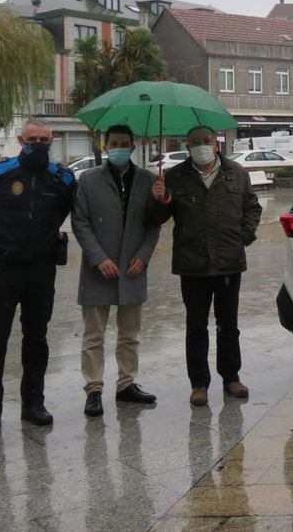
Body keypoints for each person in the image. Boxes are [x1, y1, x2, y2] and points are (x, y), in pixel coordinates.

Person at [0, 118, 76, 438]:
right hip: (4, 267)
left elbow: (63, 213)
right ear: (20, 139)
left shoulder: (62, 177)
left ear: (52, 141)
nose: (38, 144)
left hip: (41, 269)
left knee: (37, 338)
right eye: (32, 138)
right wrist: (7, 241)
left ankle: (33, 404)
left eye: (44, 140)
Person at [148, 126, 262, 406]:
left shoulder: (237, 173)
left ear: (216, 145)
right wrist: (161, 198)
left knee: (228, 325)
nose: (201, 146)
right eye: (195, 142)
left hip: (228, 262)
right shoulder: (174, 177)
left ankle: (231, 377)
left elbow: (253, 208)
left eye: (206, 141)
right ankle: (199, 383)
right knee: (196, 326)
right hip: (193, 265)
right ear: (187, 147)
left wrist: (243, 236)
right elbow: (156, 218)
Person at [71, 125, 161, 417]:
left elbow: (153, 224)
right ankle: (93, 389)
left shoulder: (148, 180)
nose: (119, 147)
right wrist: (98, 258)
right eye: (114, 143)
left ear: (133, 146)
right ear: (105, 145)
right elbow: (80, 222)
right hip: (99, 269)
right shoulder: (88, 180)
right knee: (93, 335)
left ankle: (126, 384)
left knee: (130, 334)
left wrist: (144, 256)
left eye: (125, 143)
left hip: (133, 268)